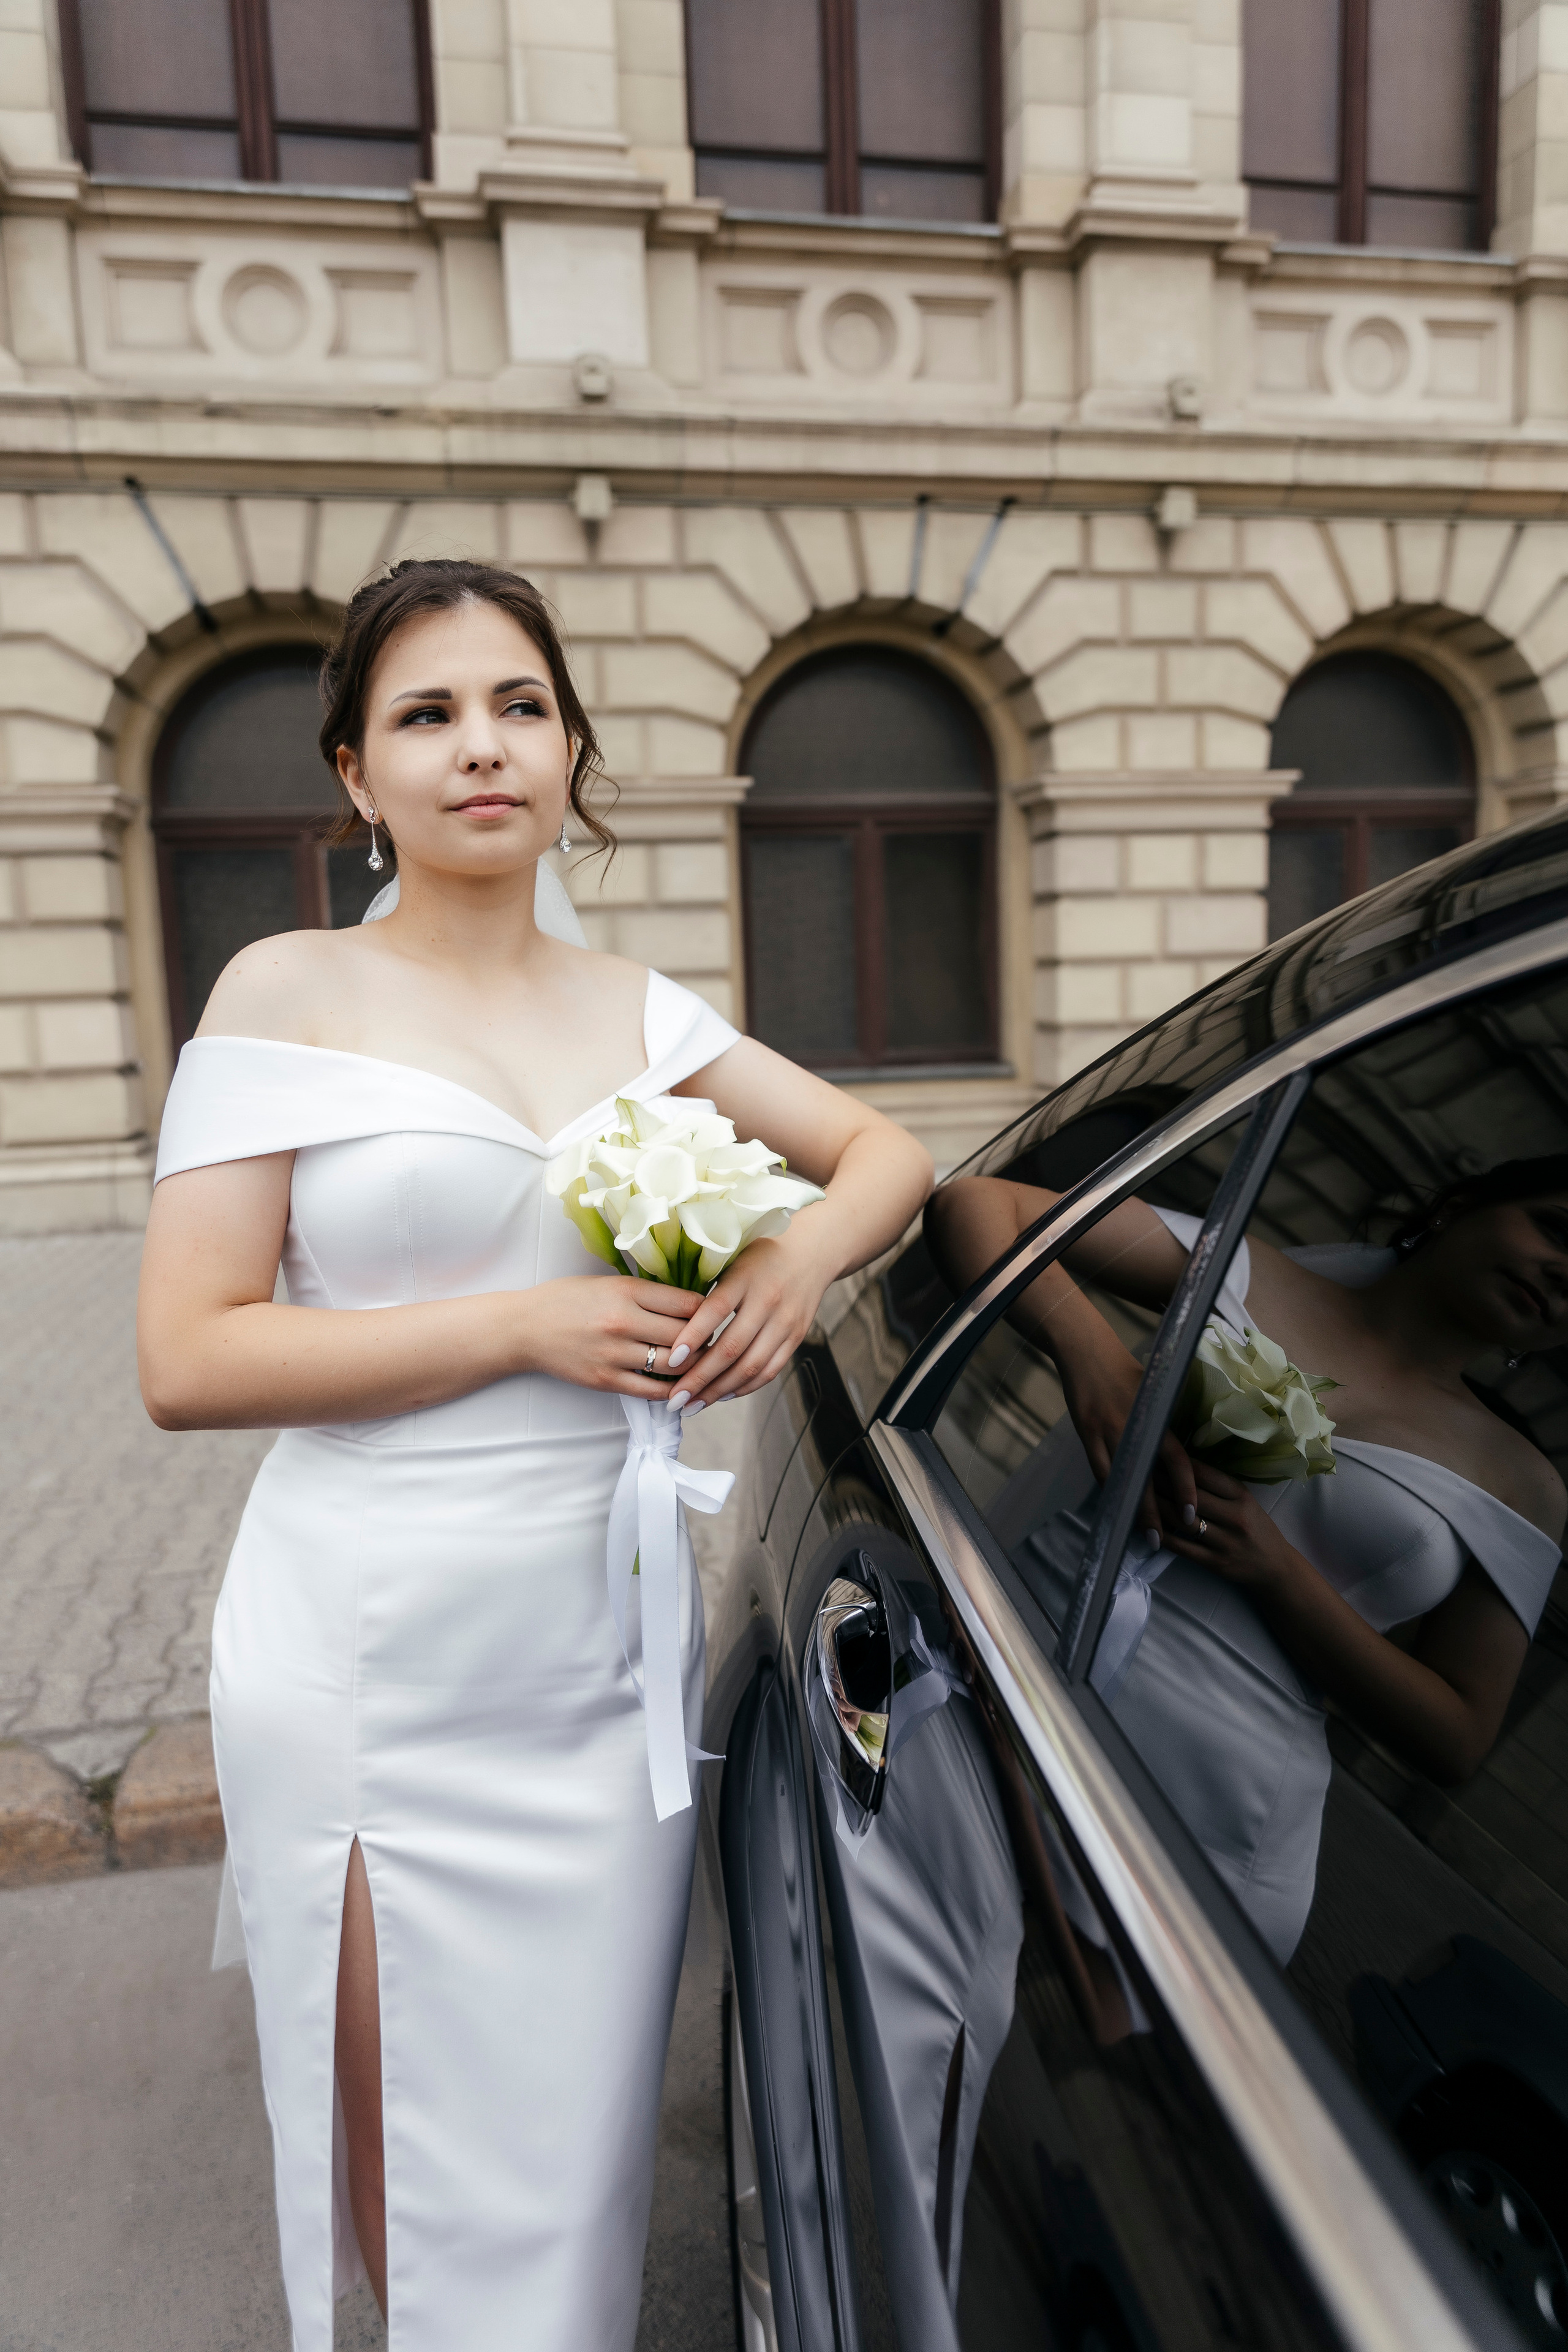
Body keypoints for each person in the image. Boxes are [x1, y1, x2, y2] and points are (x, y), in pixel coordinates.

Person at [137, 558, 933, 2348]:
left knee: (568, 2172)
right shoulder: (285, 987)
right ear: (356, 773)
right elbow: (188, 1356)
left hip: (603, 1651)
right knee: (411, 2148)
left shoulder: (647, 1012)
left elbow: (887, 1153)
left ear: (573, 746)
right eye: (427, 715)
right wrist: (521, 1327)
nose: (481, 747)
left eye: (520, 707)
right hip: (373, 1649)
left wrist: (793, 1264)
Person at [927, 1162, 1566, 1960]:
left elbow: (1458, 1737)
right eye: (1556, 1229)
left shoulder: (1525, 1483)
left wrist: (1280, 1574)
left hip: (1213, 1833)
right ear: (1464, 1202)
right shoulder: (1244, 1271)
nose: (1563, 1274)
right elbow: (975, 1205)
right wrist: (1091, 1356)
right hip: (1004, 1675)